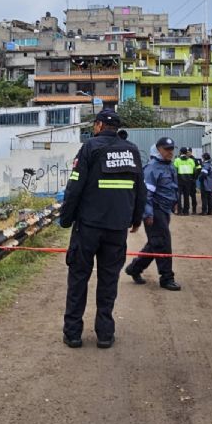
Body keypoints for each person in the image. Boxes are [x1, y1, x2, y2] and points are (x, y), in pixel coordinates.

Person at [59, 109, 146, 349]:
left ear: (98, 125)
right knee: (108, 281)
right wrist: (136, 218)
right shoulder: (132, 151)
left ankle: (73, 334)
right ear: (116, 128)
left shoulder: (90, 148)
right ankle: (105, 334)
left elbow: (74, 186)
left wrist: (66, 219)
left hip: (88, 228)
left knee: (78, 279)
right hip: (117, 228)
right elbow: (140, 188)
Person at [125, 137, 182, 291]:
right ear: (158, 150)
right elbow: (146, 195)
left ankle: (134, 268)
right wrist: (148, 214)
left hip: (164, 210)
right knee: (163, 244)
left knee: (155, 243)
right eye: (166, 149)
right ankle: (166, 278)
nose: (170, 152)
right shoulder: (152, 168)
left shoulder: (168, 166)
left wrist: (175, 202)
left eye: (171, 149)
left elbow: (172, 187)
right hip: (155, 212)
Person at [173, 148, 195, 215]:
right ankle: (186, 211)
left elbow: (174, 171)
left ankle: (179, 211)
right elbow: (194, 170)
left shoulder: (177, 160)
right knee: (186, 196)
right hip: (188, 181)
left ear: (180, 152)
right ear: (186, 152)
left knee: (179, 196)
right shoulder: (191, 161)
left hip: (179, 180)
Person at [186, 148, 200, 214]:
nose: (187, 153)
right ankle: (187, 210)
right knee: (186, 196)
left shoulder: (195, 160)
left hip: (192, 181)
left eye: (188, 152)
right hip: (186, 181)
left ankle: (194, 210)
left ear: (191, 152)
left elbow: (199, 169)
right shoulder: (184, 160)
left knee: (193, 196)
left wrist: (195, 178)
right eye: (187, 152)